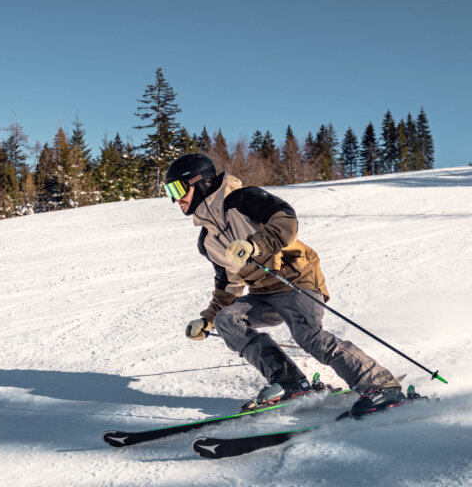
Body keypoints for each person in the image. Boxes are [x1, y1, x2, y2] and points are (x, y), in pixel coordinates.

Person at [164, 153, 405, 417]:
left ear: (200, 182)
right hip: (263, 293)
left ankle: (380, 385)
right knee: (228, 320)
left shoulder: (244, 199)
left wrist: (255, 244)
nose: (176, 199)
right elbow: (228, 286)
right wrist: (208, 319)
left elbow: (286, 220)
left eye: (177, 188)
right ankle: (290, 382)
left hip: (295, 278)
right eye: (169, 192)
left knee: (307, 335)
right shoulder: (207, 240)